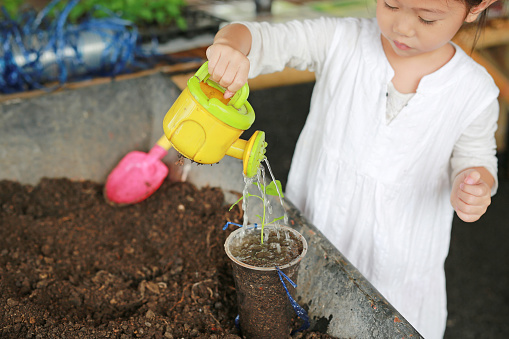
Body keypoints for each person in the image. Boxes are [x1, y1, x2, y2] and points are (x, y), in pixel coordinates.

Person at [205, 0, 500, 337]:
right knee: (306, 318)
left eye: (426, 18)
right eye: (390, 4)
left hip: (400, 268)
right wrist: (230, 47)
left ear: (476, 8)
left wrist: (474, 183)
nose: (402, 27)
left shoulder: (474, 91)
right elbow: (260, 38)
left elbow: (477, 158)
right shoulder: (342, 39)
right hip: (319, 235)